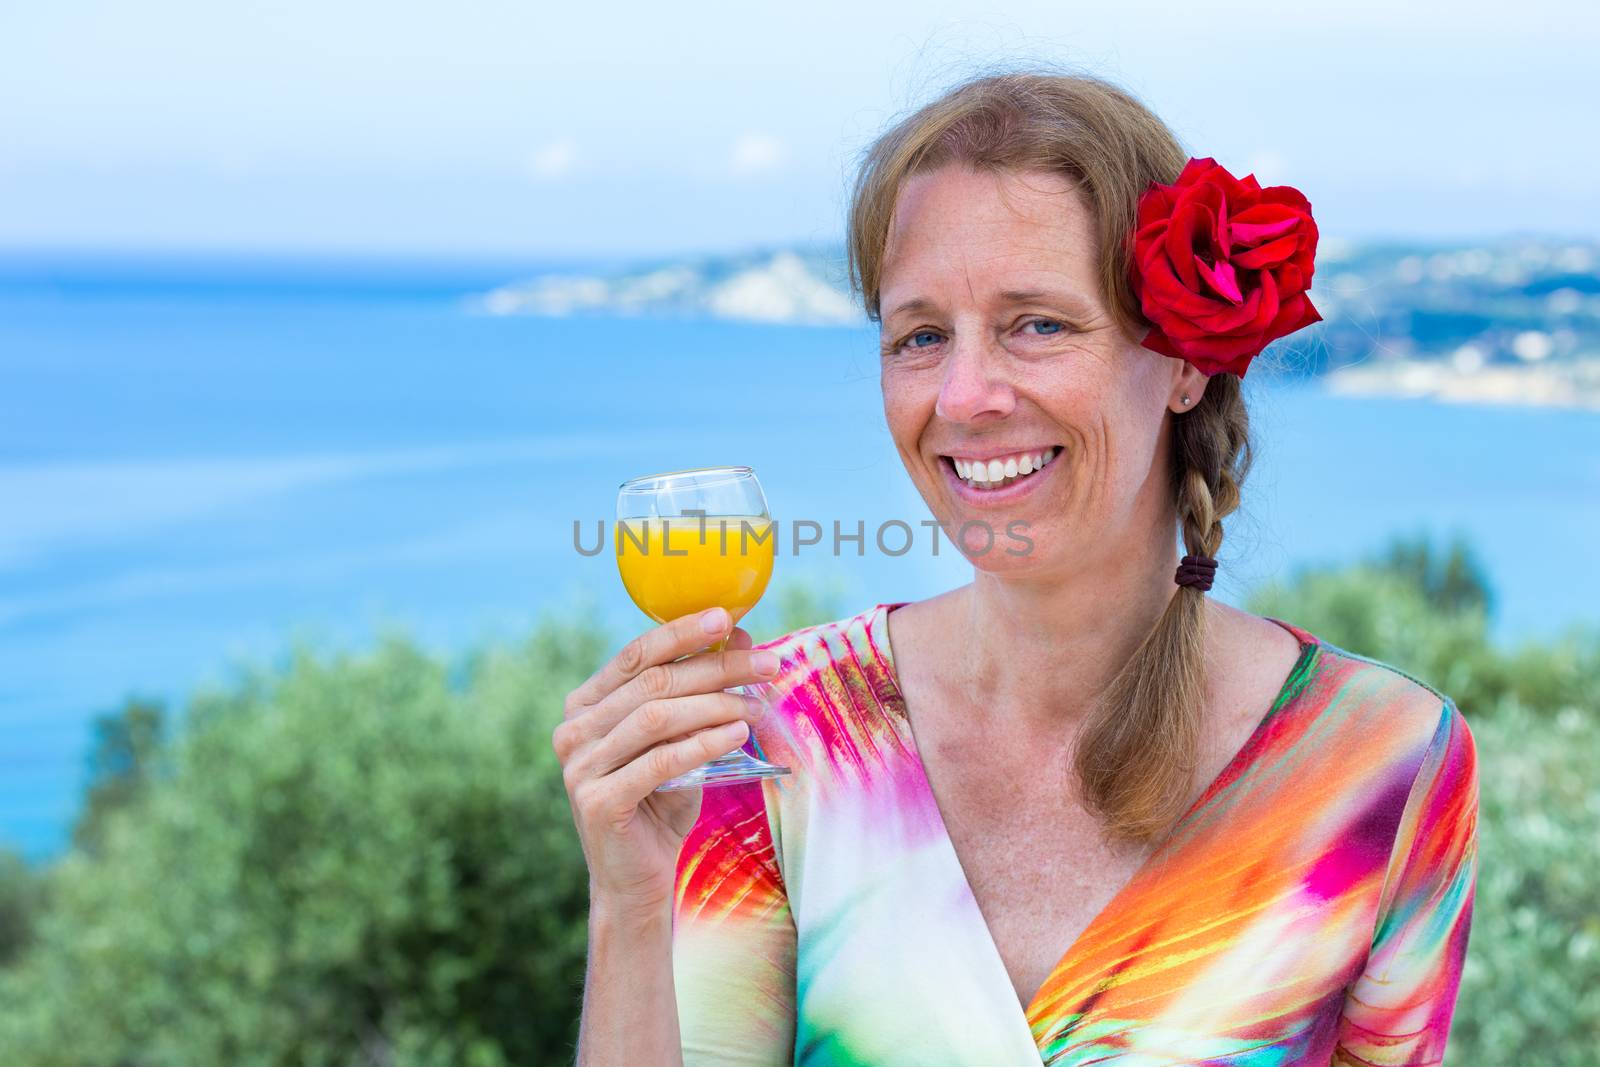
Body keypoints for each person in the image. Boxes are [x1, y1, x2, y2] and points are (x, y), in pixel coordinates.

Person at [554, 69, 1479, 1066]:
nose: (962, 396)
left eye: (1036, 323)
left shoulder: (1384, 764)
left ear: (1181, 360)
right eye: (919, 336)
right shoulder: (779, 738)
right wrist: (629, 908)